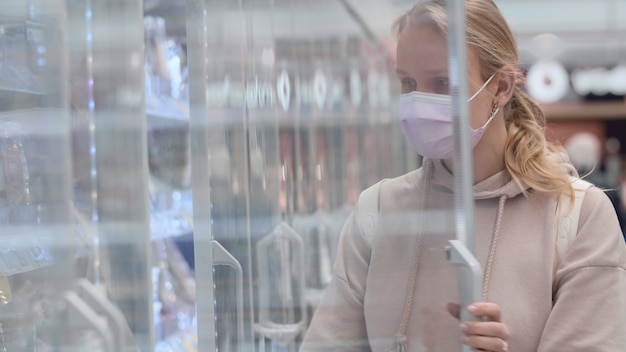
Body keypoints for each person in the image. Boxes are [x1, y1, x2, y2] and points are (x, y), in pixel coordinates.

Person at [300, 0, 626, 351]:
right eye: (408, 82)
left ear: (500, 87)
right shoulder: (377, 211)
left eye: (442, 82)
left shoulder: (579, 217)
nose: (419, 101)